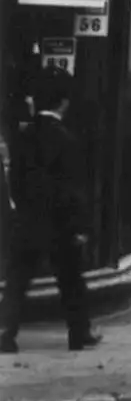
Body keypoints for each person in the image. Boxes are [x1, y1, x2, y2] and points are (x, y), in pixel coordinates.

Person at [1, 66, 98, 354]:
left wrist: (23, 206)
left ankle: (5, 331)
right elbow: (72, 190)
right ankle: (78, 333)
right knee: (70, 279)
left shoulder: (23, 138)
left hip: (29, 218)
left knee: (18, 278)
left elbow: (15, 181)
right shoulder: (67, 140)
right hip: (60, 223)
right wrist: (79, 226)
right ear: (64, 103)